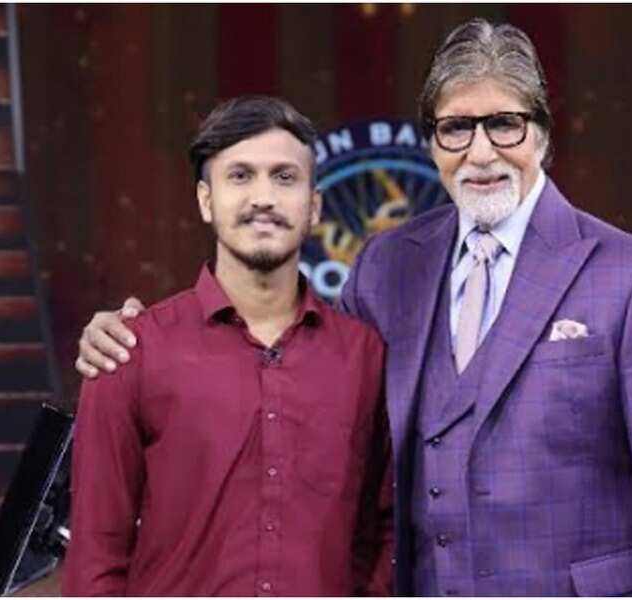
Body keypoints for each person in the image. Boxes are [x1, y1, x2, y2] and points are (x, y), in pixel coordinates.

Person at [76, 19, 632, 597]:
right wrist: (132, 333)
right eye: (456, 128)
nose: (481, 152)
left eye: (504, 123)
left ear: (542, 133)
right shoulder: (389, 266)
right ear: (431, 142)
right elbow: (294, 355)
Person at [63, 96, 392, 596]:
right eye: (240, 176)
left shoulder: (365, 357)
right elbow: (95, 556)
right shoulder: (129, 352)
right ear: (205, 200)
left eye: (284, 177)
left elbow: (385, 531)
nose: (263, 197)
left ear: (314, 206)